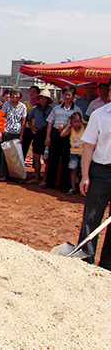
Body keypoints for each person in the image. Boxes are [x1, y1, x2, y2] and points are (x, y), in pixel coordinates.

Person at [77, 97, 111, 271]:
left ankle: (107, 266)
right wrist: (85, 176)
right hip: (101, 172)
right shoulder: (100, 115)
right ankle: (85, 261)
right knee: (92, 217)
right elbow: (88, 146)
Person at [42, 85, 82, 191]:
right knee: (53, 159)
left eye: (69, 95)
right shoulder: (56, 108)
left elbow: (79, 125)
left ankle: (64, 185)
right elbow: (50, 123)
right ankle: (50, 182)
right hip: (55, 135)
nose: (67, 97)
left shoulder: (77, 110)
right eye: (65, 94)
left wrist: (67, 127)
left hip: (69, 137)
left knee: (65, 161)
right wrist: (48, 137)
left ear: (73, 96)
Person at [0, 89, 27, 182]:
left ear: (20, 95)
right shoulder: (6, 105)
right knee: (5, 154)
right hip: (6, 132)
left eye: (16, 94)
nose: (14, 96)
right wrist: (0, 132)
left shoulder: (23, 107)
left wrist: (21, 136)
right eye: (13, 94)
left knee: (15, 155)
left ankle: (15, 175)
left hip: (16, 133)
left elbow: (23, 122)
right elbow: (2, 118)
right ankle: (3, 174)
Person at [26, 89, 53, 184]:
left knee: (46, 158)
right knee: (36, 156)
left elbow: (51, 123)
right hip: (37, 133)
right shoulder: (35, 109)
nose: (43, 100)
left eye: (45, 99)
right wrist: (32, 128)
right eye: (41, 98)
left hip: (46, 133)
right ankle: (36, 176)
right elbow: (28, 119)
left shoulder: (50, 110)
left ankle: (45, 179)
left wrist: (48, 137)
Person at [60, 112, 85, 195]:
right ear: (72, 122)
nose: (77, 124)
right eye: (74, 122)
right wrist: (68, 126)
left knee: (82, 172)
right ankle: (73, 188)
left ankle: (82, 189)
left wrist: (85, 122)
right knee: (73, 171)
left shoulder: (84, 128)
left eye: (78, 121)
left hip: (83, 153)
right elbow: (62, 134)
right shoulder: (71, 130)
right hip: (73, 153)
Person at [21, 85, 41, 159]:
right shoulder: (25, 104)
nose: (32, 93)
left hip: (37, 129)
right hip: (27, 129)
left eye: (34, 92)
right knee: (24, 148)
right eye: (31, 91)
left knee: (36, 150)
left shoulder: (40, 105)